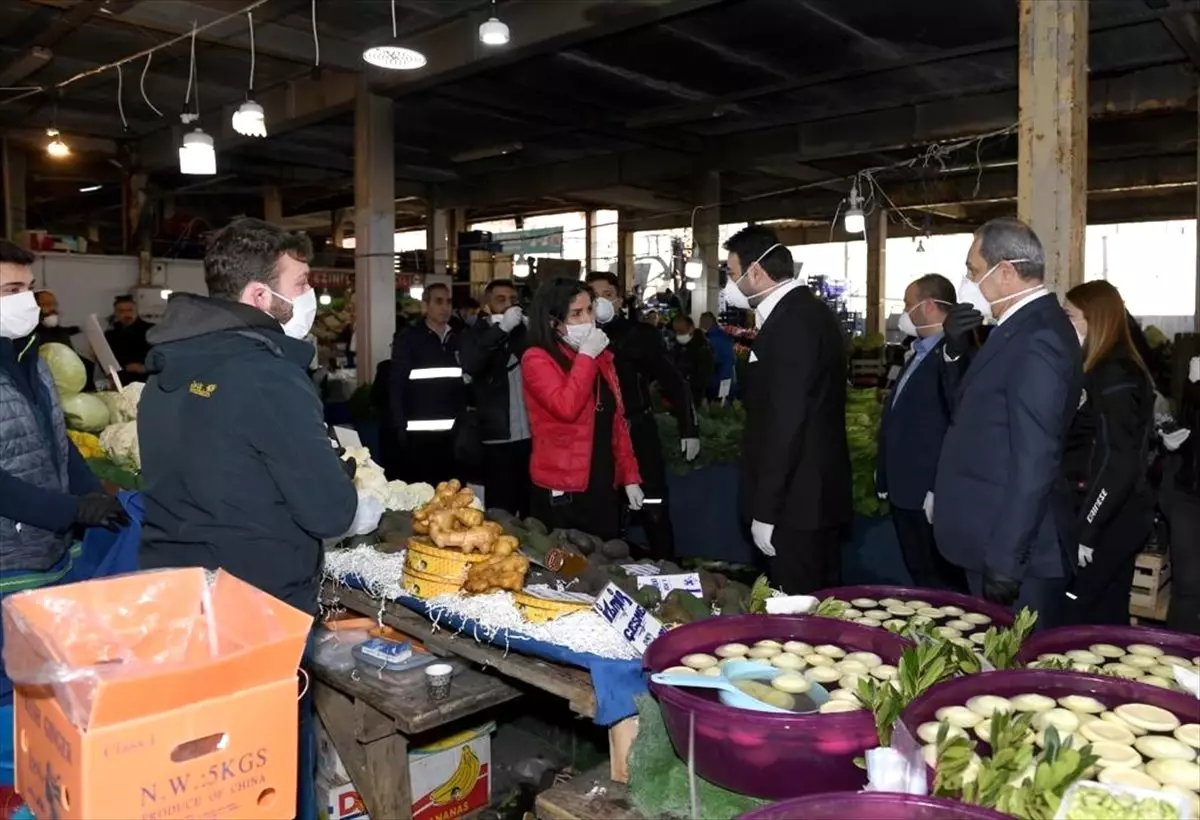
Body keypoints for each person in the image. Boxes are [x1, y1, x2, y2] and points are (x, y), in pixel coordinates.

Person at [137, 218, 357, 820]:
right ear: (261, 296)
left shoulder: (166, 365)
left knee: (208, 774)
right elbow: (329, 510)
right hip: (256, 614)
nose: (311, 296)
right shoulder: (266, 374)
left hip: (178, 601)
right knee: (267, 776)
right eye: (302, 282)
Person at [933, 217, 1083, 627]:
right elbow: (972, 414)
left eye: (973, 271)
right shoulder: (1013, 329)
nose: (967, 281)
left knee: (1012, 674)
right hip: (986, 535)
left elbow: (1035, 459)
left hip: (1016, 554)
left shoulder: (1039, 338)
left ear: (1006, 272)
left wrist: (1006, 558)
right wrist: (954, 351)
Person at [0, 238, 129, 691]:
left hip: (42, 554)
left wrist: (90, 490)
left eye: (29, 288)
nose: (27, 302)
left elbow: (58, 438)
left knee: (45, 686)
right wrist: (68, 511)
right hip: (6, 560)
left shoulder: (27, 355)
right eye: (11, 290)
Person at [724, 225, 851, 593]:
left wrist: (766, 509)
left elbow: (786, 422)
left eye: (733, 274)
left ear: (757, 273)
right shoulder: (807, 312)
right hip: (810, 496)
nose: (731, 285)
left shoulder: (792, 323)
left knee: (800, 608)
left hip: (796, 503)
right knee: (819, 601)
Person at [585, 271, 699, 558]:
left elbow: (673, 380)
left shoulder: (640, 335)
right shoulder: (576, 336)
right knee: (604, 509)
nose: (600, 303)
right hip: (597, 436)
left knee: (653, 504)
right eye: (593, 296)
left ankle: (665, 566)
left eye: (607, 295)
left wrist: (689, 427)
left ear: (619, 299)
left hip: (638, 430)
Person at [1060, 281, 1155, 625]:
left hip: (1113, 515)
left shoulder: (1114, 372)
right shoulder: (1099, 367)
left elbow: (1119, 459)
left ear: (1094, 319)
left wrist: (1088, 527)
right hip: (1112, 511)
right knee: (1106, 612)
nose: (1064, 324)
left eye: (1069, 316)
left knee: (1077, 609)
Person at [522, 278, 643, 541]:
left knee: (603, 565)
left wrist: (630, 476)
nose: (588, 320)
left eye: (590, 310)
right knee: (562, 569)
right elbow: (567, 407)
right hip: (563, 489)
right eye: (576, 314)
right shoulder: (537, 359)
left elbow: (616, 421)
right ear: (554, 323)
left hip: (601, 483)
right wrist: (586, 357)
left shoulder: (601, 358)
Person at [876, 274, 966, 592]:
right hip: (904, 487)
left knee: (939, 580)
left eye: (907, 304)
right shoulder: (917, 351)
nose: (904, 312)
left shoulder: (954, 354)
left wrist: (938, 486)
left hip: (929, 490)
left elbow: (955, 424)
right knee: (919, 572)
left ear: (928, 307)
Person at [460, 279, 532, 516]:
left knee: (531, 508)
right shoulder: (475, 334)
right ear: (487, 304)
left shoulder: (524, 331)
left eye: (513, 300)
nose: (508, 305)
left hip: (532, 436)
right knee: (502, 510)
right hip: (497, 437)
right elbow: (473, 363)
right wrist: (500, 330)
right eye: (500, 299)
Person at [388, 283, 467, 485]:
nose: (445, 307)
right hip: (419, 437)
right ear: (426, 305)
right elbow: (396, 385)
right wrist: (399, 425)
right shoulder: (409, 339)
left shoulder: (457, 338)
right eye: (438, 301)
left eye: (448, 302)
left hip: (453, 436)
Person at [34, 288, 97, 390]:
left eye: (54, 304)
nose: (52, 308)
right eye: (46, 304)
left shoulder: (60, 332)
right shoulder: (31, 337)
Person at [105, 294, 153, 384]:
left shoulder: (152, 330)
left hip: (146, 380)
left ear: (136, 311)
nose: (127, 314)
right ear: (116, 314)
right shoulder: (110, 334)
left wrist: (145, 367)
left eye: (130, 310)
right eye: (121, 311)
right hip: (121, 381)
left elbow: (161, 355)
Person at [671, 314, 715, 408]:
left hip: (695, 397)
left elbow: (704, 375)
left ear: (690, 329)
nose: (678, 335)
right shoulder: (677, 347)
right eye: (676, 331)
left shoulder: (703, 348)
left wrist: (686, 382)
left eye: (681, 331)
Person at [699, 311, 735, 401]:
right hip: (719, 381)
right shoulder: (720, 337)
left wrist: (723, 389)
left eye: (701, 322)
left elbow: (725, 363)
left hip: (717, 383)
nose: (700, 325)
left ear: (708, 322)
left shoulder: (713, 340)